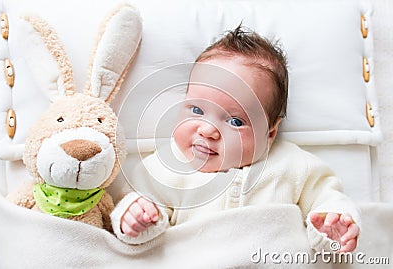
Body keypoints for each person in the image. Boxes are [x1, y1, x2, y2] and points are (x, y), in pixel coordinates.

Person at [110, 25, 360, 252]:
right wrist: (135, 218)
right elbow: (138, 206)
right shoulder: (165, 167)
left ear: (270, 133)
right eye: (197, 110)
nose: (207, 131)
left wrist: (332, 225)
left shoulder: (293, 165)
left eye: (235, 121)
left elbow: (327, 199)